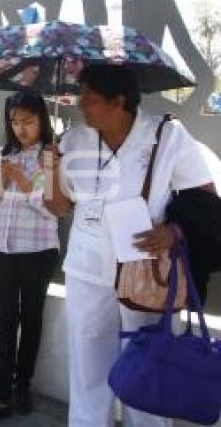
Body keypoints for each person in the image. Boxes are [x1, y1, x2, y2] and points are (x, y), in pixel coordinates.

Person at [45, 64, 214, 427]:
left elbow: (206, 200)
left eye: (88, 96)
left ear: (118, 100)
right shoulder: (72, 140)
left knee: (149, 362)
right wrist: (51, 171)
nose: (79, 103)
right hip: (87, 269)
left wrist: (174, 232)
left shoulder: (167, 135)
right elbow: (59, 207)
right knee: (87, 361)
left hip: (147, 269)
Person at [0, 92, 59, 425]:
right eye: (15, 121)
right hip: (2, 248)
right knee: (5, 322)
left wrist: (23, 182)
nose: (21, 128)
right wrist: (2, 184)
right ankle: (0, 397)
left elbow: (54, 209)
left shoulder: (52, 155)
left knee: (31, 318)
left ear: (42, 120)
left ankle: (23, 386)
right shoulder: (0, 154)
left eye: (29, 121)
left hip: (38, 250)